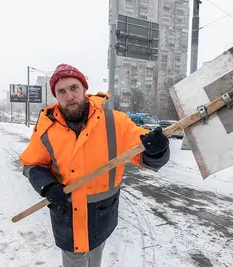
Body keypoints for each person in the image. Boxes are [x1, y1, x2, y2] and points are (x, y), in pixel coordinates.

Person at [19, 63, 170, 267]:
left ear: (84, 89)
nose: (69, 96)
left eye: (74, 88)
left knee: (95, 260)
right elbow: (31, 164)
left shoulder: (115, 122)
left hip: (100, 216)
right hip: (67, 217)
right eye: (61, 91)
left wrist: (157, 150)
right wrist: (47, 186)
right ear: (56, 96)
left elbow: (145, 155)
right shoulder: (47, 128)